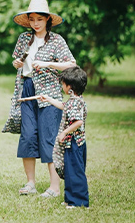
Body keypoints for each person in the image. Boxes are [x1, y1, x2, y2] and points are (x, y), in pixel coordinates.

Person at [10, 0, 76, 197]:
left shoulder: (57, 41)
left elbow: (71, 64)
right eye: (32, 19)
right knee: (28, 136)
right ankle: (30, 183)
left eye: (39, 19)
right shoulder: (23, 39)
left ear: (47, 19)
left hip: (49, 93)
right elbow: (16, 60)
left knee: (49, 138)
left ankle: (54, 187)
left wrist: (48, 64)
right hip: (27, 90)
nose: (35, 23)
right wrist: (17, 64)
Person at [40, 66, 89, 209]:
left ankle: (79, 202)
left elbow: (78, 121)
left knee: (75, 172)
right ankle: (70, 199)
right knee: (69, 171)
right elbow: (63, 106)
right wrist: (49, 99)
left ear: (70, 87)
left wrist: (64, 132)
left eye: (63, 84)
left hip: (75, 143)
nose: (62, 87)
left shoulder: (75, 102)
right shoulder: (75, 100)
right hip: (71, 143)